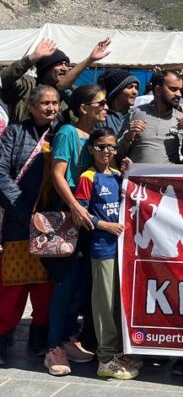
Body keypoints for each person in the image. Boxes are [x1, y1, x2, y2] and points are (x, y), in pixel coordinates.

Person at [45, 85, 108, 376]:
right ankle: (53, 347)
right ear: (84, 108)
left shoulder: (94, 138)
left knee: (82, 285)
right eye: (100, 103)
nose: (106, 108)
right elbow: (58, 174)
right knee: (64, 285)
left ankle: (69, 338)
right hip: (71, 215)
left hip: (89, 218)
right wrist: (74, 206)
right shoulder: (68, 133)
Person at [0, 86, 60, 366]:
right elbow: (1, 173)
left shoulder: (63, 132)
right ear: (32, 106)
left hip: (54, 224)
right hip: (18, 222)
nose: (50, 108)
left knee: (45, 285)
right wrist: (25, 212)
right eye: (45, 103)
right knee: (12, 284)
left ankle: (40, 338)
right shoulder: (14, 133)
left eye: (55, 103)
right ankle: (3, 336)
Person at [75, 128, 139, 380]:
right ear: (91, 149)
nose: (106, 152)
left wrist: (130, 174)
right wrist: (104, 225)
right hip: (102, 248)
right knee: (103, 303)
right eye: (101, 147)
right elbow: (79, 214)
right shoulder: (88, 177)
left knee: (116, 303)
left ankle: (116, 352)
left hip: (123, 250)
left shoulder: (116, 176)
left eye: (111, 147)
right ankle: (104, 359)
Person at [0, 37, 111, 123]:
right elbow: (4, 78)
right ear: (46, 68)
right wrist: (31, 58)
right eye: (59, 64)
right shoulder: (27, 85)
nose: (64, 68)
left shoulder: (69, 93)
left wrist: (90, 59)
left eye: (66, 64)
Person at [119, 71, 183, 164]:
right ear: (158, 90)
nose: (179, 94)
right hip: (138, 177)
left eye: (180, 90)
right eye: (173, 89)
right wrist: (128, 137)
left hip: (168, 177)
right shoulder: (134, 114)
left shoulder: (182, 119)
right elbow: (117, 154)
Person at [98, 69, 140, 135]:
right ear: (116, 91)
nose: (135, 92)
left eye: (136, 87)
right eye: (130, 87)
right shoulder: (101, 117)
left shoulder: (136, 115)